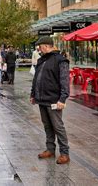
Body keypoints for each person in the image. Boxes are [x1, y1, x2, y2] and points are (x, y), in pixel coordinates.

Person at [30, 36, 70, 165]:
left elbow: (64, 81)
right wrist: (33, 94)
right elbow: (37, 78)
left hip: (54, 99)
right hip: (41, 99)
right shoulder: (42, 60)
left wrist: (63, 99)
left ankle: (64, 153)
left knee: (58, 126)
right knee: (47, 126)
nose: (39, 50)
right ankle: (50, 149)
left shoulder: (60, 61)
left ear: (46, 46)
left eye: (40, 47)